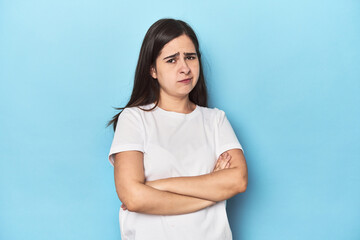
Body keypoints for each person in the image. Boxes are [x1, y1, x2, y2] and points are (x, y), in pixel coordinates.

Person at [107, 18, 248, 240]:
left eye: (190, 57)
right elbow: (133, 198)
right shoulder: (134, 119)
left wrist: (157, 186)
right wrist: (211, 192)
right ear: (152, 69)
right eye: (171, 60)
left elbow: (238, 180)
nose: (185, 68)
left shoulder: (215, 120)